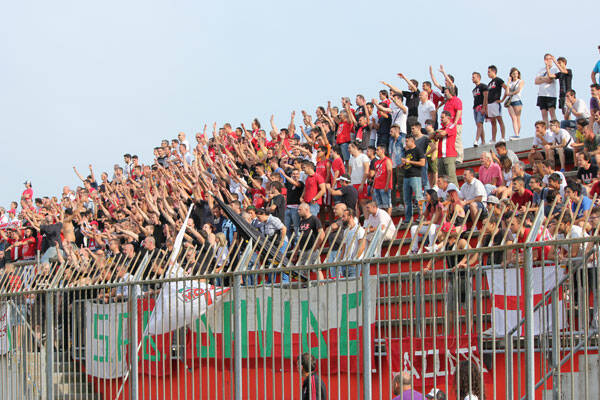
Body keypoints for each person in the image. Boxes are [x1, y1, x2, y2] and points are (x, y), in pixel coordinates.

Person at [409, 189, 443, 254]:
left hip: (439, 227)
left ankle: (431, 247)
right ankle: (414, 249)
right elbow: (423, 217)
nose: (425, 197)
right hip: (431, 226)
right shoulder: (429, 205)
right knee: (414, 228)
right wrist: (421, 208)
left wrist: (424, 223)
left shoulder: (439, 205)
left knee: (432, 226)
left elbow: (435, 221)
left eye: (426, 195)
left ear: (431, 196)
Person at [402, 135, 426, 222]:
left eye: (407, 141)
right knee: (407, 199)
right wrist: (403, 164)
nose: (406, 143)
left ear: (412, 141)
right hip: (406, 176)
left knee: (419, 197)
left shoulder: (418, 150)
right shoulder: (407, 152)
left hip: (415, 176)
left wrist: (409, 162)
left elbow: (422, 163)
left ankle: (422, 216)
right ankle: (408, 218)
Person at [484, 65, 507, 142]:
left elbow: (506, 88)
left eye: (489, 71)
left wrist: (502, 100)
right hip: (489, 104)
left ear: (494, 71)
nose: (488, 73)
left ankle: (503, 137)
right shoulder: (489, 83)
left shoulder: (498, 80)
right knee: (493, 122)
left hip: (496, 103)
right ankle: (493, 139)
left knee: (499, 120)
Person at [535, 53, 559, 125]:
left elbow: (550, 80)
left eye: (550, 59)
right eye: (547, 59)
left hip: (551, 94)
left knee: (552, 113)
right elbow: (536, 81)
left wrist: (541, 78)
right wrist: (545, 78)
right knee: (543, 113)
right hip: (541, 94)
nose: (548, 61)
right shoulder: (541, 70)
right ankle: (547, 130)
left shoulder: (554, 69)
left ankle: (555, 127)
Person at [347, 142, 371, 217]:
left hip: (361, 183)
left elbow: (366, 171)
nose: (348, 150)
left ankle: (367, 221)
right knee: (355, 204)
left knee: (363, 203)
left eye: (350, 148)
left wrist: (362, 184)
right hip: (353, 184)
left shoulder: (363, 157)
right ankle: (356, 222)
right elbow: (349, 173)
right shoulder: (351, 159)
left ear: (355, 148)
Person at [436, 111, 459, 186]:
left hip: (449, 155)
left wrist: (438, 132)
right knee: (441, 179)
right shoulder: (442, 128)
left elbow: (442, 134)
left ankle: (456, 196)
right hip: (440, 156)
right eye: (441, 117)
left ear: (448, 118)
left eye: (442, 117)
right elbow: (434, 136)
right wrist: (438, 132)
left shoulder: (452, 126)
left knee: (451, 178)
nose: (441, 119)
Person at [442, 86, 463, 163]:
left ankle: (459, 158)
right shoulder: (447, 102)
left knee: (457, 140)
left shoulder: (456, 100)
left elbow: (459, 111)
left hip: (455, 124)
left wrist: (455, 122)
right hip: (448, 126)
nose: (444, 93)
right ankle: (454, 156)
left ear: (450, 92)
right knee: (450, 141)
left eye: (446, 92)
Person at [373, 144, 393, 216]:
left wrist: (387, 185)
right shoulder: (376, 162)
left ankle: (388, 220)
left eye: (378, 150)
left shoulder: (387, 160)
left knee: (387, 204)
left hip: (384, 185)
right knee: (380, 206)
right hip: (377, 185)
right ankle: (383, 218)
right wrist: (373, 186)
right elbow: (376, 175)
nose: (376, 151)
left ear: (383, 151)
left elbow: (389, 172)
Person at [505, 67, 524, 139]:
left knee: (518, 118)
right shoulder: (510, 83)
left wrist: (511, 93)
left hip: (517, 100)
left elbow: (518, 90)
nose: (515, 75)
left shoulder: (520, 81)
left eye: (516, 73)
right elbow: (506, 92)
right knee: (513, 118)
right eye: (514, 74)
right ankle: (516, 133)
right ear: (511, 75)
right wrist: (508, 82)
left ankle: (517, 134)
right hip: (510, 101)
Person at [471, 72, 488, 146]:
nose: (472, 78)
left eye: (474, 77)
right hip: (475, 107)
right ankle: (483, 141)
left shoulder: (483, 86)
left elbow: (485, 97)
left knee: (479, 123)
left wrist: (484, 108)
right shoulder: (474, 89)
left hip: (481, 106)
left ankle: (476, 140)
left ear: (478, 78)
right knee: (479, 125)